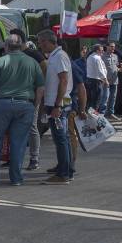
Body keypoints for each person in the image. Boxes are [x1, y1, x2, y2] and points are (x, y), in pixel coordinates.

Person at [0, 34, 44, 186]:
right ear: (21, 46)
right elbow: (40, 87)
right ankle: (16, 178)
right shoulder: (32, 62)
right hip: (25, 105)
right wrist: (35, 105)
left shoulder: (0, 61)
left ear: (6, 46)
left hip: (1, 105)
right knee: (19, 143)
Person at [37, 30, 74, 185]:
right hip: (56, 103)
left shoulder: (59, 56)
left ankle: (63, 174)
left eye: (41, 42)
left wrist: (57, 104)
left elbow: (63, 81)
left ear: (48, 41)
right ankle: (65, 168)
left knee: (61, 139)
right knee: (61, 138)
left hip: (59, 104)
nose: (40, 45)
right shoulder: (55, 56)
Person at [10, 28, 47, 172]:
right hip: (17, 95)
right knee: (15, 127)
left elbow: (45, 67)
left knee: (32, 127)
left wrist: (39, 85)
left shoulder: (33, 53)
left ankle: (34, 158)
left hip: (31, 96)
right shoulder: (15, 53)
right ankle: (14, 157)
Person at [101, 42, 122, 121]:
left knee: (113, 98)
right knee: (105, 98)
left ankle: (111, 113)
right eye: (111, 46)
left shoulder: (115, 56)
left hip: (114, 80)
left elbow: (116, 67)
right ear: (107, 47)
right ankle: (102, 115)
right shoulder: (102, 56)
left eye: (114, 47)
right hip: (106, 81)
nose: (113, 48)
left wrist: (121, 69)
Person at [86, 44, 108, 111]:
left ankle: (89, 117)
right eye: (101, 50)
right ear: (97, 50)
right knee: (96, 101)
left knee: (90, 101)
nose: (103, 52)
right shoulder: (97, 58)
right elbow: (100, 70)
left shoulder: (90, 56)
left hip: (90, 80)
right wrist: (105, 80)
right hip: (96, 81)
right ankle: (93, 118)